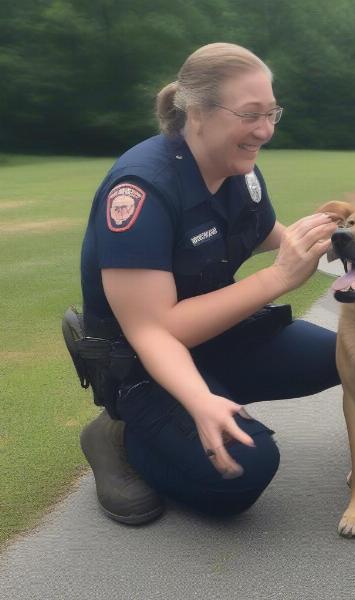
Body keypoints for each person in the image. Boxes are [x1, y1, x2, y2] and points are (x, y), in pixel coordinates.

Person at [76, 42, 340, 525]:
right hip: (143, 363)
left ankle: (199, 402)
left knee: (346, 354)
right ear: (197, 112)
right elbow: (155, 331)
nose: (265, 130)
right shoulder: (141, 190)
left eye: (272, 113)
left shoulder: (239, 172)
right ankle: (118, 436)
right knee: (244, 472)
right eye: (250, 115)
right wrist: (199, 401)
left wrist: (341, 242)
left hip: (210, 339)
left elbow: (266, 235)